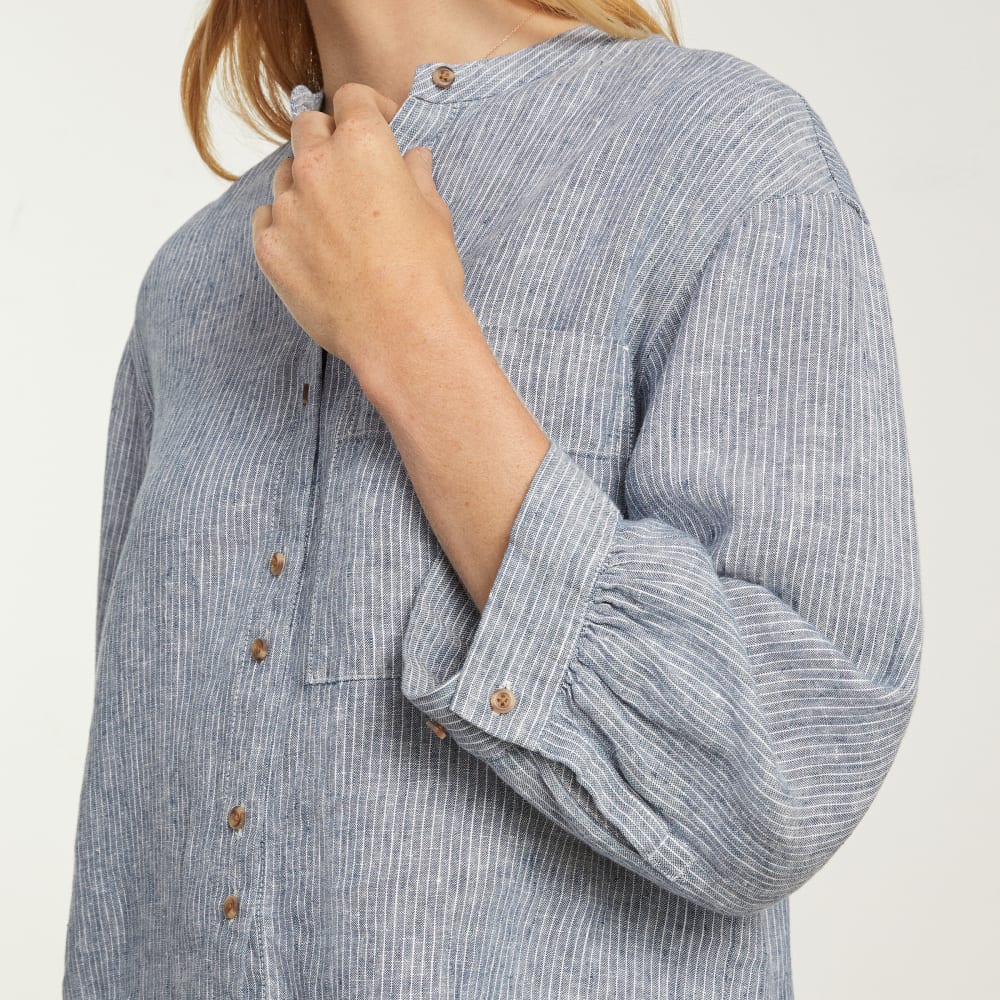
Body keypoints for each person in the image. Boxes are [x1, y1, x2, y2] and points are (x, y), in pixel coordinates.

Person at [63, 1, 922, 998]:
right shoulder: (191, 284)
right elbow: (128, 870)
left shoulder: (723, 156)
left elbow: (783, 775)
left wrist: (408, 332)